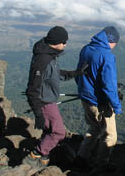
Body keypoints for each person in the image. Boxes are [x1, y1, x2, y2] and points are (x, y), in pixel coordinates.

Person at [22, 26, 86, 168]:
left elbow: (55, 74)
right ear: (56, 42)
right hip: (45, 102)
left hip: (47, 100)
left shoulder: (49, 55)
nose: (65, 45)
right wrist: (38, 114)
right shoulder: (43, 59)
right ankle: (33, 157)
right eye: (64, 42)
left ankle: (44, 157)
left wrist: (76, 73)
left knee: (50, 131)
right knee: (58, 132)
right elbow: (32, 88)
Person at [73, 26, 122, 171]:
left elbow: (78, 74)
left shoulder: (86, 49)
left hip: (85, 97)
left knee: (94, 128)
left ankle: (81, 158)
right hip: (100, 102)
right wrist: (116, 106)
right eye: (115, 44)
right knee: (110, 135)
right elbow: (109, 86)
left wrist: (84, 90)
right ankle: (101, 165)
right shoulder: (106, 56)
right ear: (111, 41)